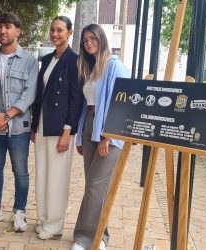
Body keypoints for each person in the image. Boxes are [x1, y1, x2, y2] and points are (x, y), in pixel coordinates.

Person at [0, 12, 38, 232]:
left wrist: (7, 115)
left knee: (20, 171)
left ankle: (19, 211)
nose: (3, 31)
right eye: (0, 27)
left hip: (19, 128)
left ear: (18, 31)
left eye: (8, 27)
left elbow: (29, 94)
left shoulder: (30, 62)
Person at [71, 24, 130, 250]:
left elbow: (122, 105)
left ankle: (85, 239)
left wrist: (108, 136)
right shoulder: (92, 67)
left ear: (102, 39)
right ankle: (100, 235)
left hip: (108, 132)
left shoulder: (115, 67)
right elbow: (88, 105)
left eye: (92, 38)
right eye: (85, 40)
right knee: (93, 186)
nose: (88, 43)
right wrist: (81, 137)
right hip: (89, 128)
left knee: (96, 186)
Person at [30, 16, 83, 240]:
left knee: (58, 177)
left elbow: (76, 99)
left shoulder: (75, 60)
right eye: (52, 30)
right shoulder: (47, 58)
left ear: (69, 32)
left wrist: (67, 132)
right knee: (42, 172)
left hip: (61, 128)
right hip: (43, 124)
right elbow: (39, 96)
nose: (54, 34)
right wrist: (34, 126)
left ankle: (55, 225)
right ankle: (44, 218)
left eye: (60, 30)